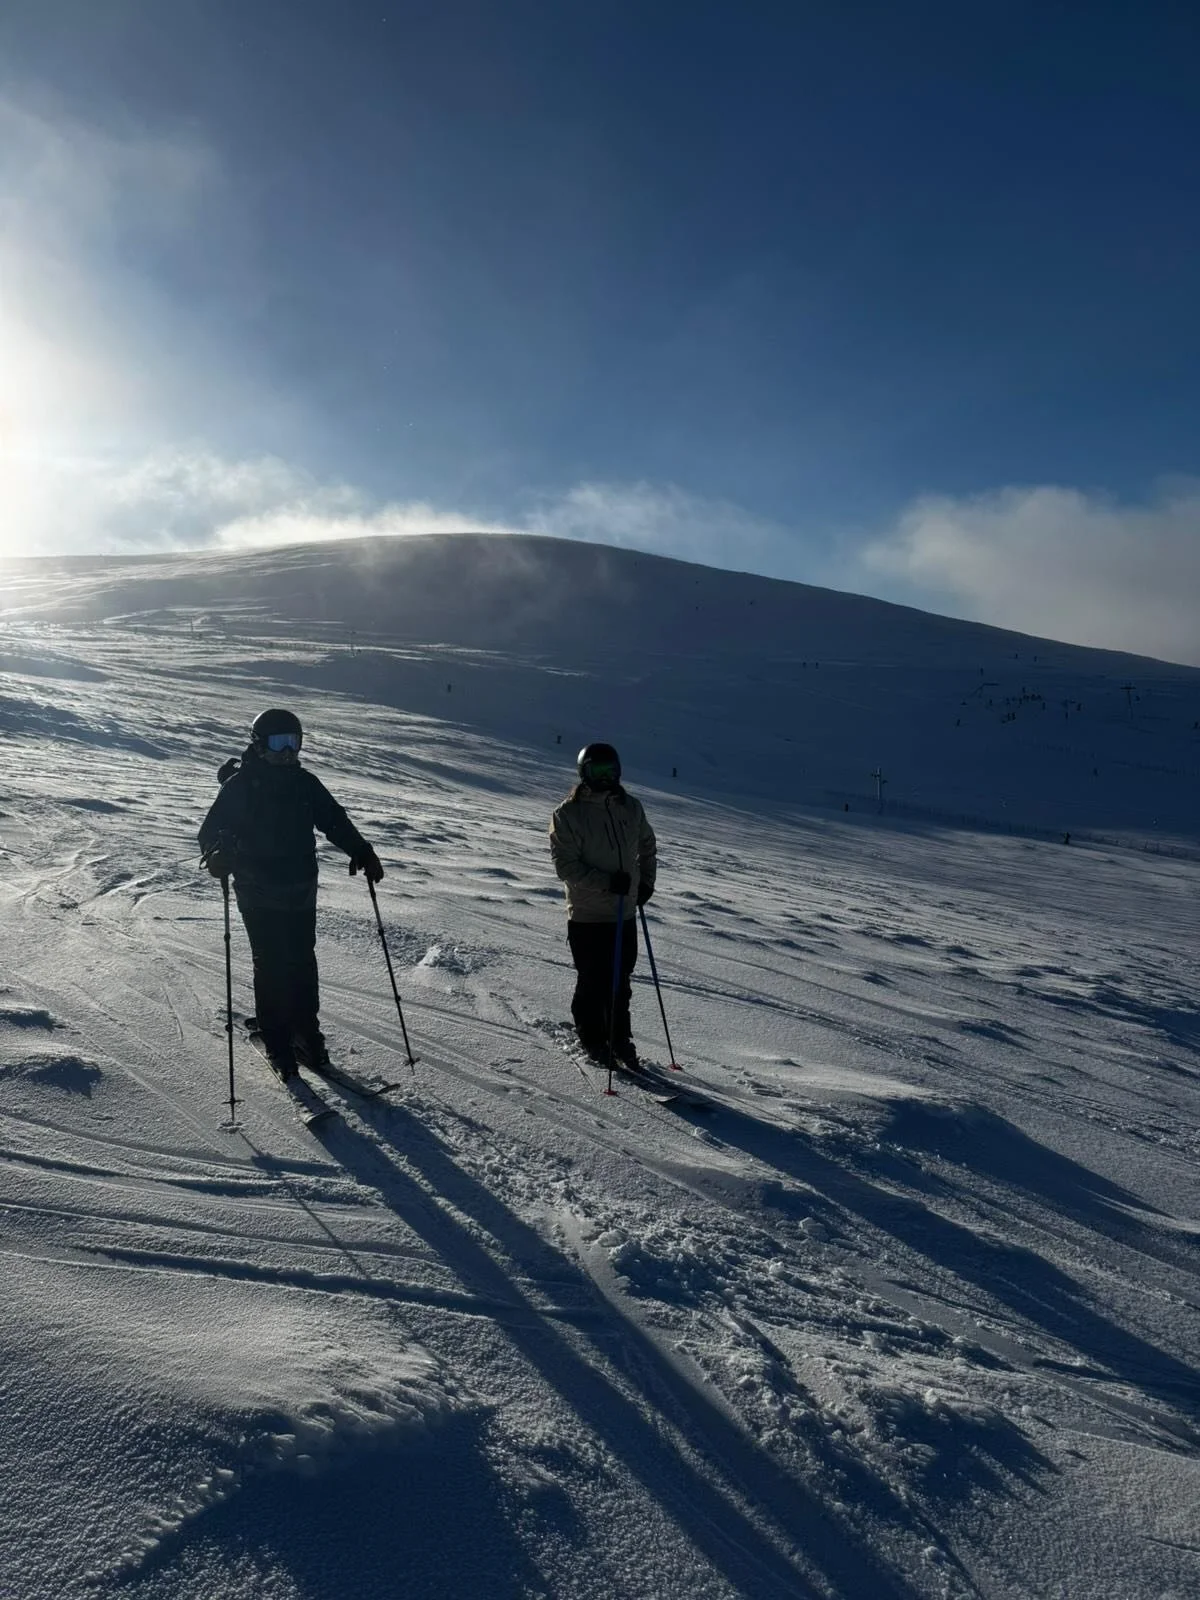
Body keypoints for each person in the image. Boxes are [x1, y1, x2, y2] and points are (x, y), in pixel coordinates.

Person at [198, 708, 383, 1078]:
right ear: (259, 744)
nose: (287, 752)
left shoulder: (304, 783)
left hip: (300, 887)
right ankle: (278, 1043)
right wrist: (217, 856)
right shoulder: (241, 785)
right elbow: (211, 831)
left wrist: (362, 850)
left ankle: (307, 1038)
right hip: (257, 889)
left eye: (293, 743)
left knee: (301, 961)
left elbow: (334, 819)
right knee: (272, 964)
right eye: (279, 743)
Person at [549, 742, 657, 1068]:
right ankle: (593, 1037)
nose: (607, 777)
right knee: (593, 980)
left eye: (611, 770)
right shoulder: (567, 815)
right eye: (598, 771)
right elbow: (566, 867)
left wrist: (646, 883)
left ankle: (620, 1037)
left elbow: (647, 845)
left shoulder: (630, 807)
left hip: (623, 913)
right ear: (584, 773)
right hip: (588, 915)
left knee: (621, 980)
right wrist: (608, 882)